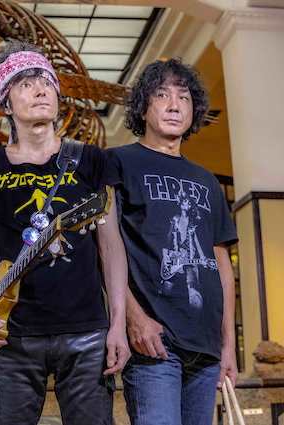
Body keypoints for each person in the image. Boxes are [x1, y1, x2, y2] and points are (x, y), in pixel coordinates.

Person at [0, 39, 130, 425]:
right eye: (25, 83)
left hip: (87, 333)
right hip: (10, 333)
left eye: (47, 82)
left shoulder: (91, 160)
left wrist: (118, 322)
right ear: (5, 103)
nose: (40, 90)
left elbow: (111, 248)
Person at [105, 58, 238, 425]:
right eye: (162, 95)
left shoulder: (207, 180)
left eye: (184, 97)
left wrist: (228, 344)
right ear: (143, 108)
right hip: (154, 342)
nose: (175, 105)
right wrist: (134, 319)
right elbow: (106, 251)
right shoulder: (117, 162)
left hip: (206, 347)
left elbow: (221, 264)